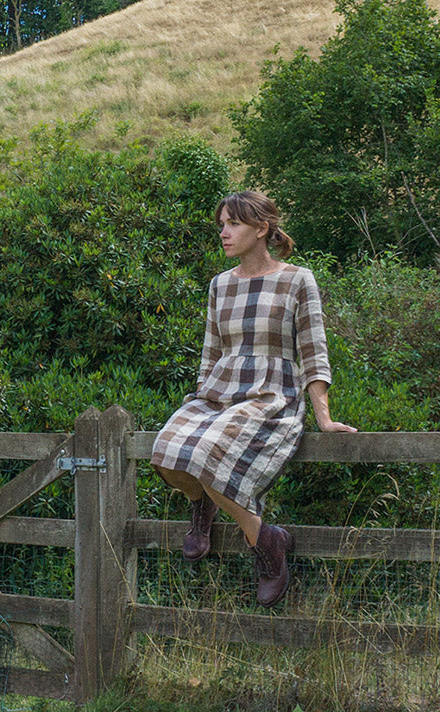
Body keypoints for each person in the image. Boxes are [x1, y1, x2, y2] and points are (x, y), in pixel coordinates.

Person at [151, 191, 357, 607]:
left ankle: (266, 541)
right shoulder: (220, 285)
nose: (224, 233)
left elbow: (314, 352)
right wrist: (197, 403)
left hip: (271, 393)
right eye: (222, 225)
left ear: (261, 229)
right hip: (218, 392)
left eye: (234, 225)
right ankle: (202, 502)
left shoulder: (297, 279)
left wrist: (323, 417)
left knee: (207, 450)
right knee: (164, 451)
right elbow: (211, 353)